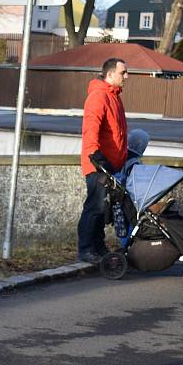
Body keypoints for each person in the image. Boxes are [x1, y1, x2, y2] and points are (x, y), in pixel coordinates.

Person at [78, 57, 128, 264]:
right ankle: (86, 249)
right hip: (98, 164)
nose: (127, 76)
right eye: (122, 72)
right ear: (109, 74)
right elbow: (91, 128)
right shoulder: (99, 96)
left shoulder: (113, 96)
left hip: (109, 165)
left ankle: (98, 247)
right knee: (95, 207)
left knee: (102, 208)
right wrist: (95, 156)